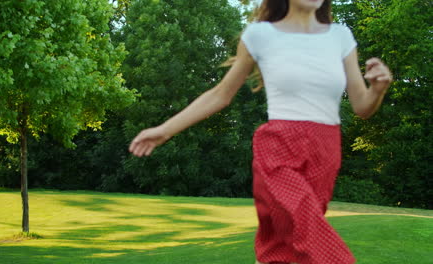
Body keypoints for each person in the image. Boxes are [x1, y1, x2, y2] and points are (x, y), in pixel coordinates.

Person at [129, 0, 392, 263]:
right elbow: (220, 94)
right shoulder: (260, 35)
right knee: (308, 226)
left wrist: (378, 90)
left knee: (283, 246)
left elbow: (362, 106)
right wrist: (165, 130)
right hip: (279, 148)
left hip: (325, 152)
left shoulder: (340, 37)